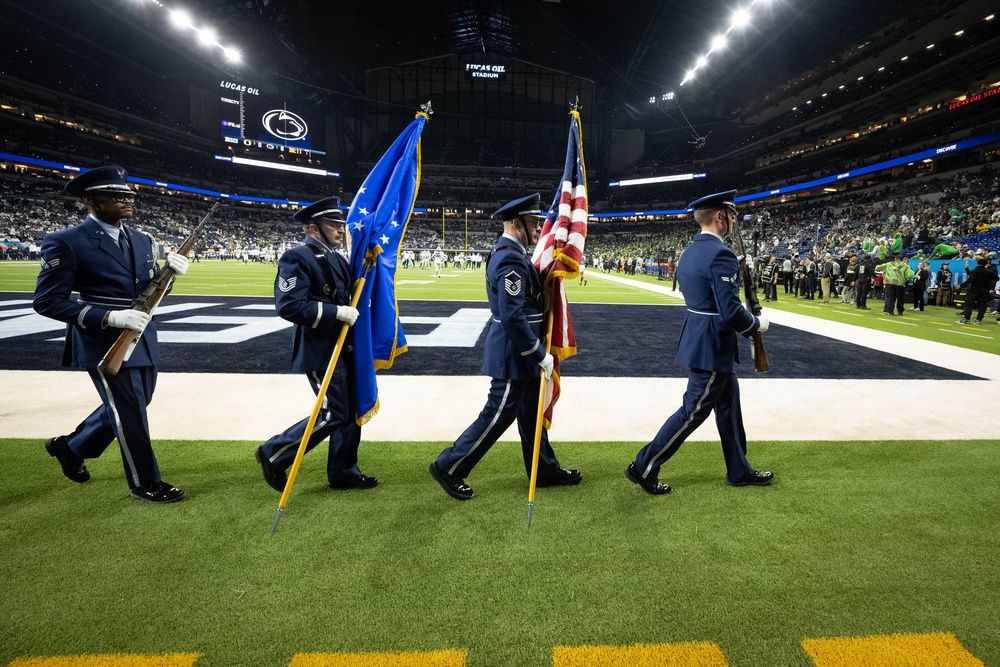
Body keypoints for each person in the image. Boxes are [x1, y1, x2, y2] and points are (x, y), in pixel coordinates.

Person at [34, 166, 188, 503]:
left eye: (128, 195)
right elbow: (47, 301)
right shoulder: (66, 241)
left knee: (135, 403)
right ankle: (145, 482)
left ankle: (71, 446)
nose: (126, 200)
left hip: (142, 335)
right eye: (114, 195)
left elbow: (150, 291)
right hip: (102, 339)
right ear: (89, 200)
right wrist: (110, 317)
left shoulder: (143, 239)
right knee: (131, 410)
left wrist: (170, 275)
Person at [429, 193, 581, 500]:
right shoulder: (510, 258)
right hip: (515, 353)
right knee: (498, 414)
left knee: (530, 414)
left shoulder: (517, 254)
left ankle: (545, 470)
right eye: (534, 223)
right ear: (516, 223)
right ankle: (449, 466)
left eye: (539, 222)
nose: (539, 228)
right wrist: (540, 355)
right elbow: (512, 317)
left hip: (521, 352)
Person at [624, 190, 773, 495]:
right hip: (713, 346)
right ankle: (644, 465)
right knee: (692, 411)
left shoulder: (690, 251)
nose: (733, 222)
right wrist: (756, 325)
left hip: (700, 338)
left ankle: (739, 469)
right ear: (720, 217)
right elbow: (730, 312)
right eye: (731, 216)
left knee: (729, 408)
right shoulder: (721, 254)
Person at [254, 197, 377, 493]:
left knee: (350, 410)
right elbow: (289, 305)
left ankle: (344, 470)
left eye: (340, 224)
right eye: (333, 224)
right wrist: (336, 312)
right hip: (320, 347)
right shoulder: (297, 256)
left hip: (344, 345)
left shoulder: (335, 257)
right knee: (334, 411)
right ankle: (274, 453)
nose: (339, 229)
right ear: (313, 227)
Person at [957, 256, 993, 325]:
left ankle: (967, 319)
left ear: (977, 263)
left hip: (974, 290)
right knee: (982, 306)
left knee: (969, 305)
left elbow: (970, 280)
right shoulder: (989, 272)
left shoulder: (975, 271)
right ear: (986, 264)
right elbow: (996, 278)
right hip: (984, 291)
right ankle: (978, 320)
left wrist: (960, 285)